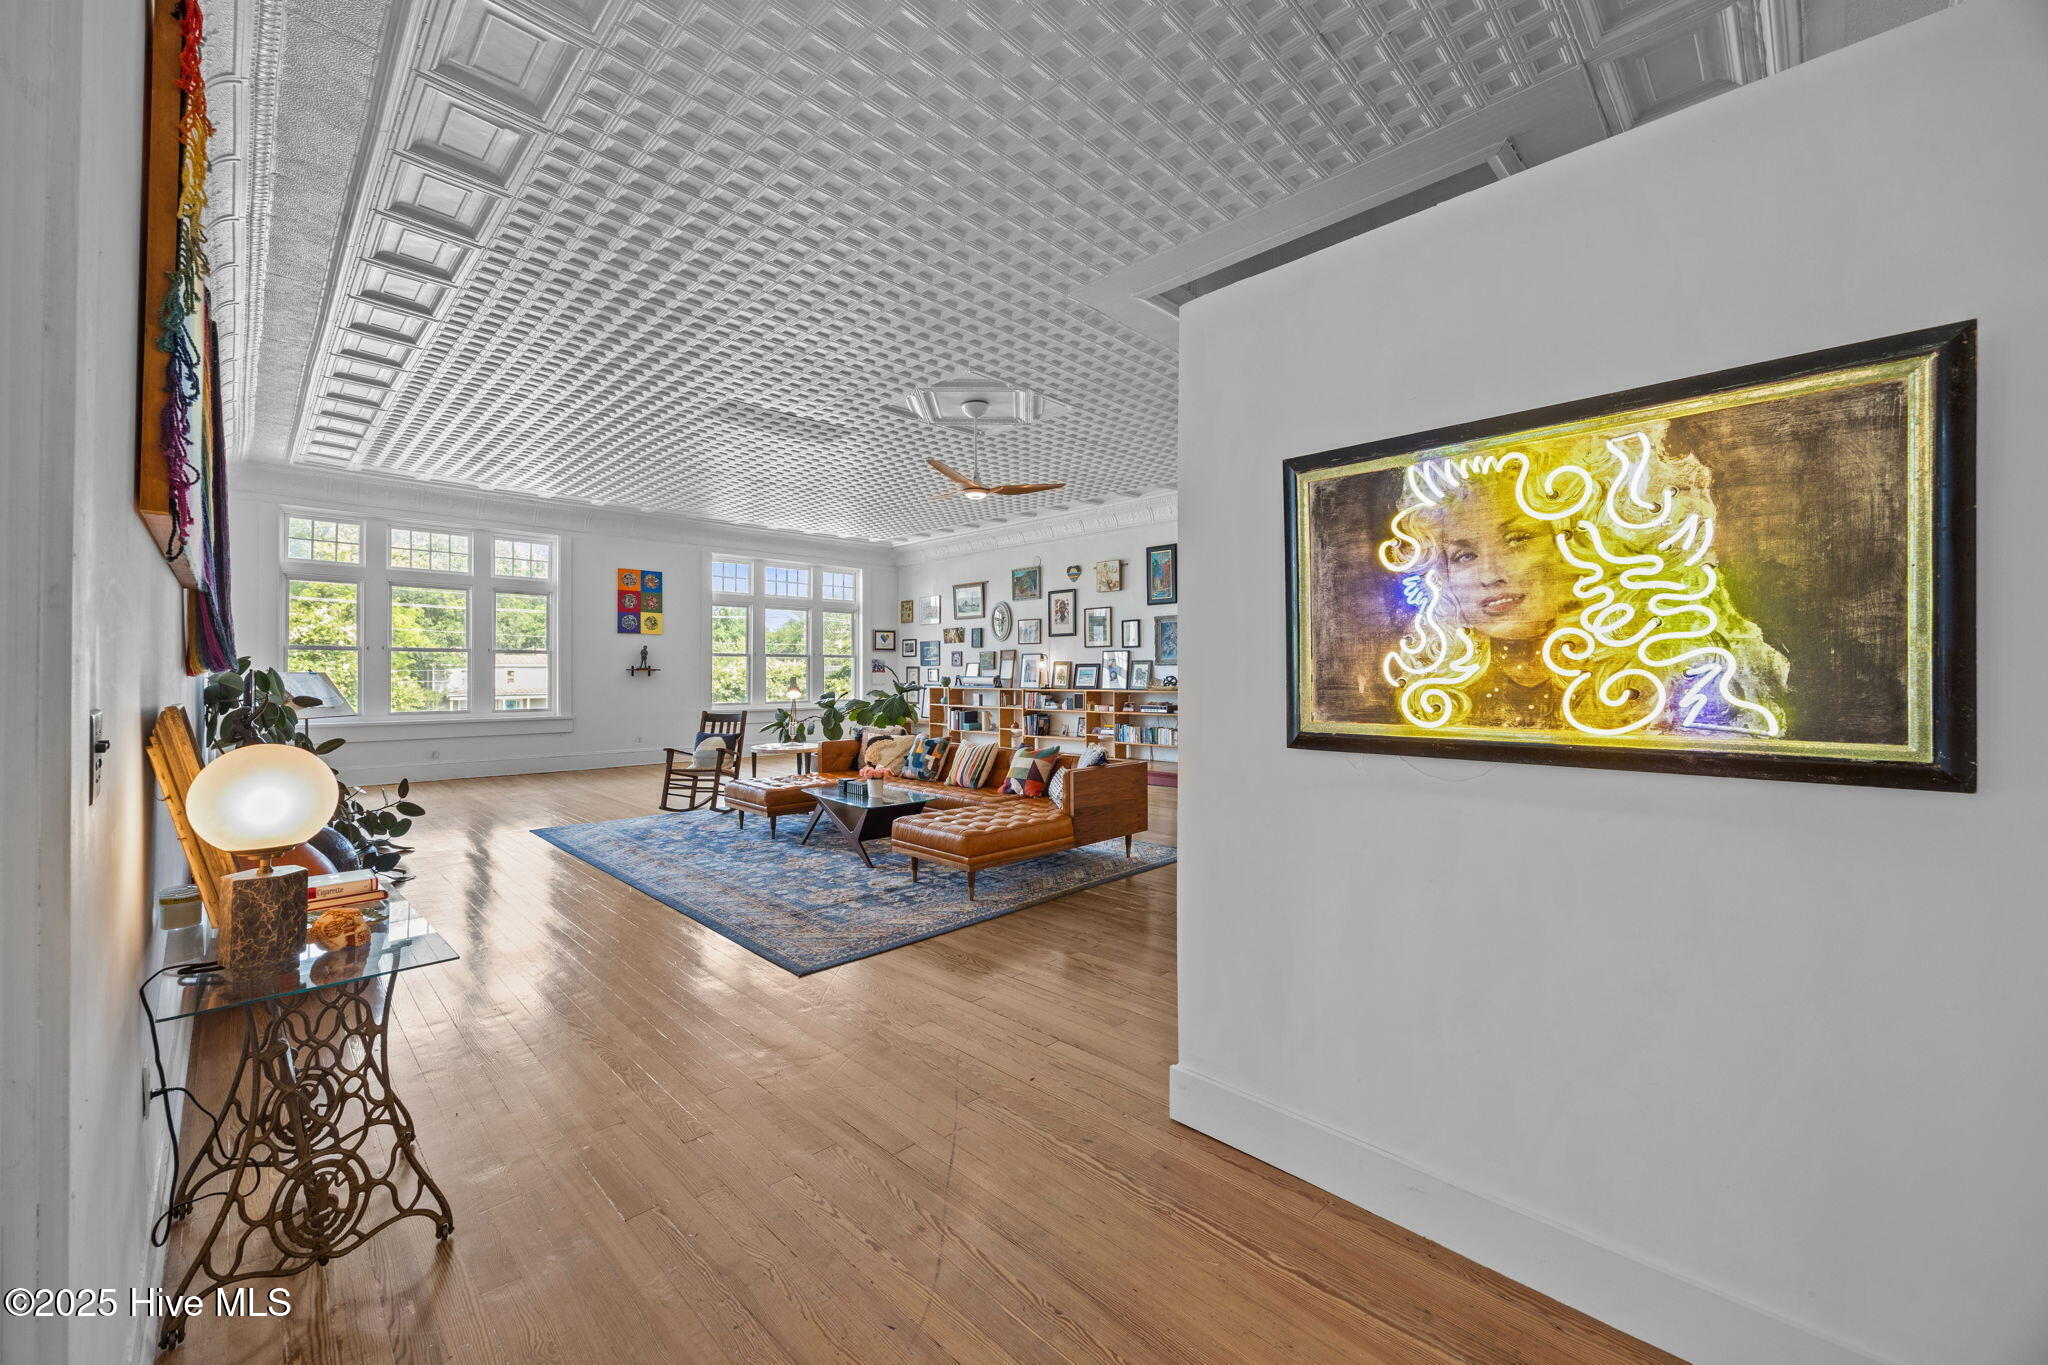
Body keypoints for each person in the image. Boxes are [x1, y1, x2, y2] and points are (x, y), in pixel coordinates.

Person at [1373, 422, 1788, 738]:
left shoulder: (1682, 673)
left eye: (1518, 539)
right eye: (1463, 555)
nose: (1489, 576)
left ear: (1587, 537)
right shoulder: (1440, 690)